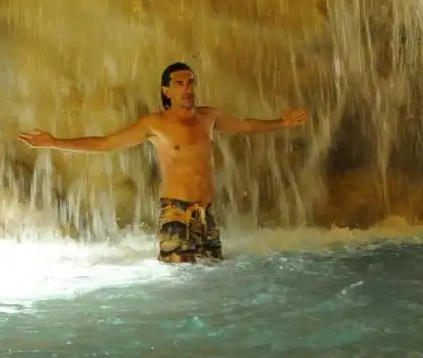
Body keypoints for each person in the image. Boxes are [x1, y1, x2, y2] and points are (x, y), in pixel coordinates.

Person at [18, 62, 308, 263]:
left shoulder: (209, 117)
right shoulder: (155, 124)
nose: (187, 88)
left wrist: (282, 122)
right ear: (166, 91)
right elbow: (106, 143)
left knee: (212, 280)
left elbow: (246, 125)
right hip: (176, 213)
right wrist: (55, 142)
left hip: (206, 213)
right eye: (179, 83)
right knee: (181, 284)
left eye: (191, 81)